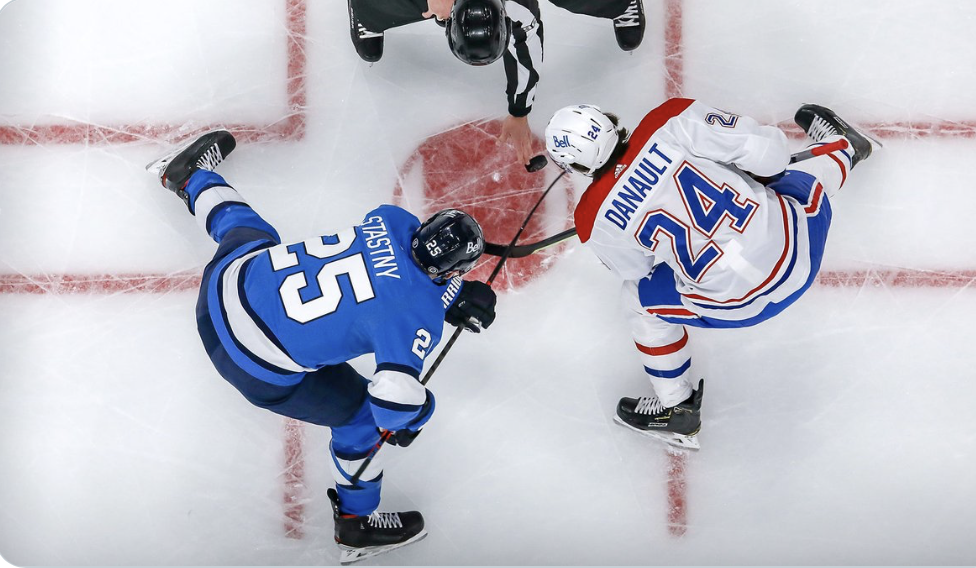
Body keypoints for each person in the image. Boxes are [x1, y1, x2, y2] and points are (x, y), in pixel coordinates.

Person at [145, 131, 498, 562]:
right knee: (363, 422)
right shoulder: (413, 317)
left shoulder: (390, 220)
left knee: (249, 231)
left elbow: (390, 282)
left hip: (224, 287)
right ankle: (355, 528)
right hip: (248, 362)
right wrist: (414, 416)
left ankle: (190, 179)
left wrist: (448, 296)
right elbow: (393, 399)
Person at [544, 100, 877, 449]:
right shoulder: (668, 119)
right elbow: (772, 156)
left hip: (738, 306)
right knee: (787, 182)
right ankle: (844, 147)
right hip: (799, 252)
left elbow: (637, 269)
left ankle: (677, 407)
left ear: (572, 164)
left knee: (637, 299)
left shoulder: (591, 218)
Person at [347, 0, 646, 167]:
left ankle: (618, 2)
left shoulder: (519, 10)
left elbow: (526, 53)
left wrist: (520, 110)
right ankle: (369, 12)